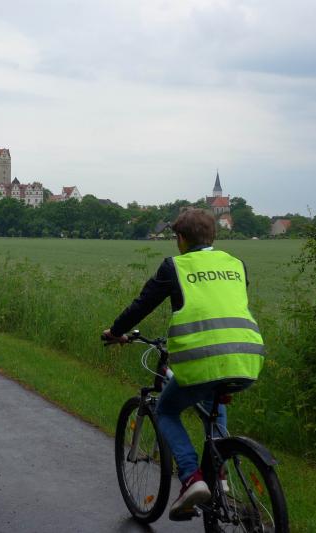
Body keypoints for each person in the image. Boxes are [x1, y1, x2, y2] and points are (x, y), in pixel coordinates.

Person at [102, 208, 264, 521]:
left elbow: (142, 305)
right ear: (213, 235)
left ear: (180, 238)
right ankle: (219, 474)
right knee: (214, 401)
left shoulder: (174, 266)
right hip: (246, 356)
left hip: (201, 359)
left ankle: (192, 477)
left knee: (166, 410)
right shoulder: (236, 264)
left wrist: (116, 332)